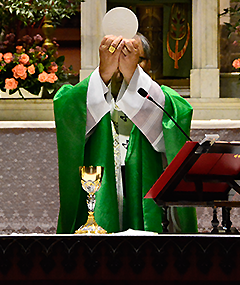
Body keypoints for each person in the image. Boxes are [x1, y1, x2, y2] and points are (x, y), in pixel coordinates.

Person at [53, 33, 197, 234]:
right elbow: (68, 112)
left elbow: (176, 122)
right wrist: (103, 74)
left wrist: (133, 77)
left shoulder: (161, 99)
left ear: (147, 63)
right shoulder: (86, 95)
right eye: (116, 53)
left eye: (131, 54)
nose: (122, 62)